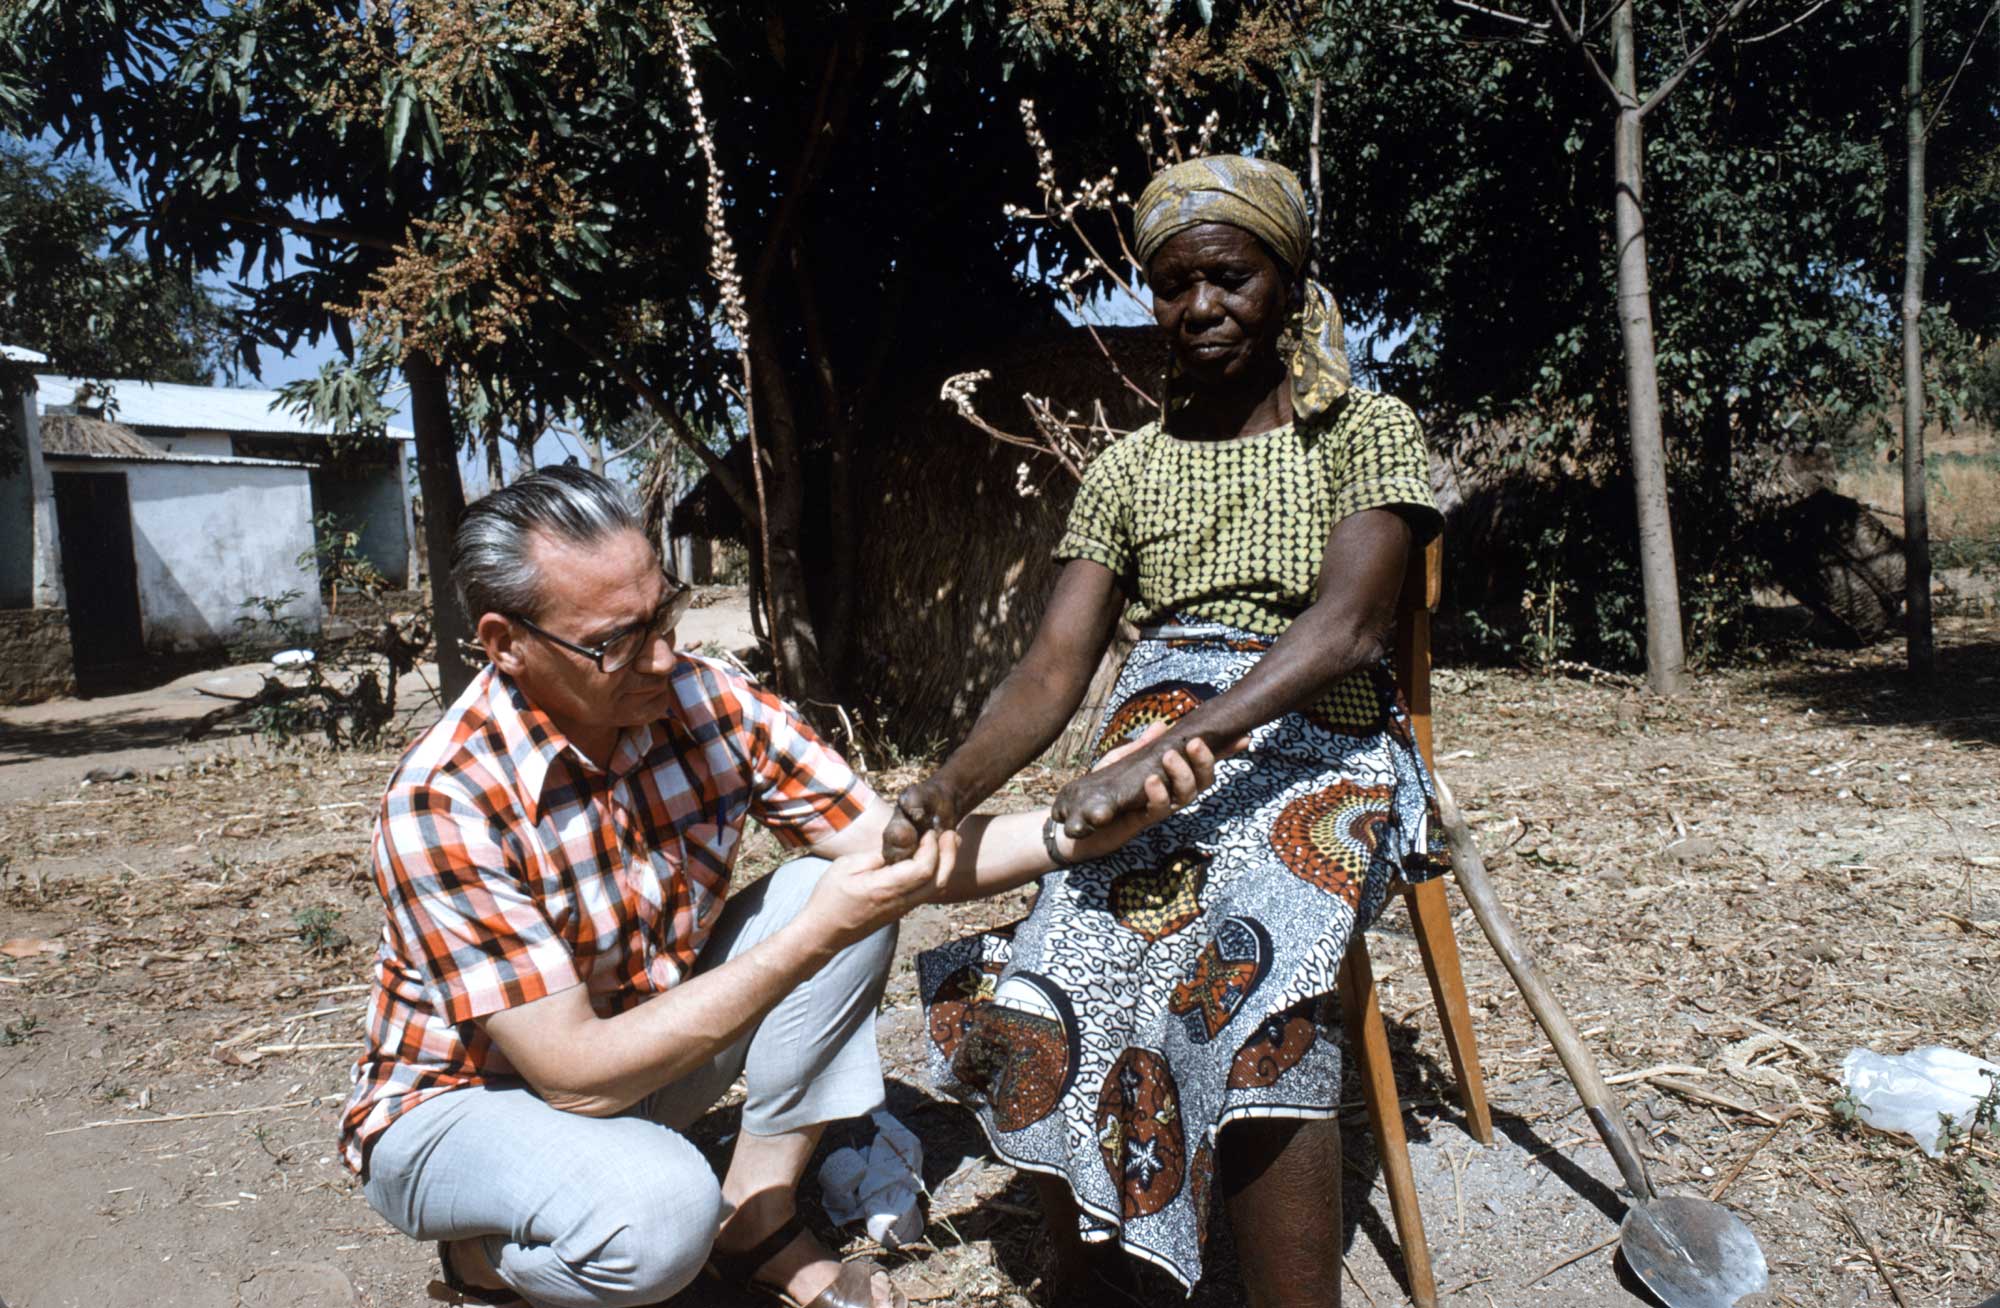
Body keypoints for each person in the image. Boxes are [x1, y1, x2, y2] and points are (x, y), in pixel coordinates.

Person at [338, 466, 1218, 1308]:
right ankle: (482, 1259)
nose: (660, 656)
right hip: (463, 1109)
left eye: (664, 613)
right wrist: (810, 938)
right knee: (660, 1215)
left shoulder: (703, 699)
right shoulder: (448, 798)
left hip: (636, 1057)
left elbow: (900, 850)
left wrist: (1082, 828)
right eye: (616, 641)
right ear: (505, 645)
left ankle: (756, 1218)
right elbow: (572, 1077)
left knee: (843, 881)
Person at [885, 155, 1446, 1307]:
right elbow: (1051, 670)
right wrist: (944, 790)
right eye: (1173, 285)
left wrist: (1158, 755)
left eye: (1230, 279)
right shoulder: (1128, 471)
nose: (1199, 308)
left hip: (1317, 753)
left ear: (1286, 283)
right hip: (1144, 767)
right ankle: (1099, 1281)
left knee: (1243, 973)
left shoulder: (1363, 431)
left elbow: (1345, 630)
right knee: (1047, 960)